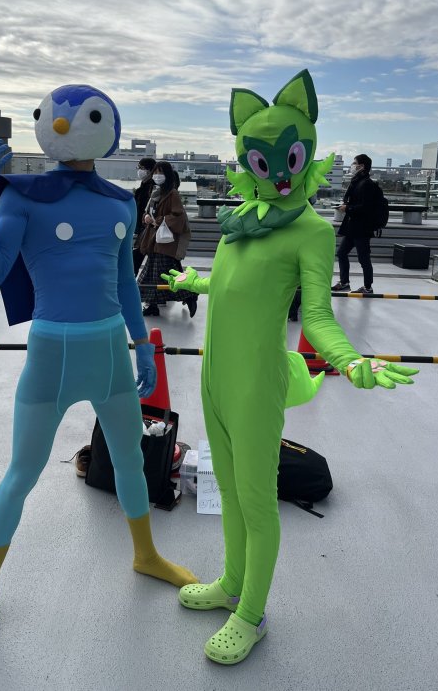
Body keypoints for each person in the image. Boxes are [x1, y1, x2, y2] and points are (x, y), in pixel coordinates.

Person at [162, 70, 417, 666]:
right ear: (245, 160)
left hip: (255, 387)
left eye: (289, 158)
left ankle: (252, 614)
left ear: (305, 155)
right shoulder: (238, 224)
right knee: (228, 492)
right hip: (214, 380)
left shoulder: (312, 231)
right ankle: (232, 584)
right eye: (262, 159)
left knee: (256, 501)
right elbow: (233, 286)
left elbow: (317, 317)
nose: (278, 174)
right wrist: (196, 281)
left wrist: (350, 360)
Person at [0, 84, 197, 657]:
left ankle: (145, 554)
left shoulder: (120, 203)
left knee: (132, 457)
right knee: (21, 473)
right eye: (55, 118)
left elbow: (122, 282)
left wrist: (144, 345)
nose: (64, 127)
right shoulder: (24, 197)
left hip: (110, 348)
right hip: (52, 354)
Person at [136, 161, 196, 318]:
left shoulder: (172, 194)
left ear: (167, 175)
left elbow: (178, 217)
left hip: (165, 241)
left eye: (160, 172)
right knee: (154, 274)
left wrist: (157, 220)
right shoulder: (156, 192)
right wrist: (146, 217)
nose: (157, 176)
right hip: (155, 240)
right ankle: (152, 305)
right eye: (155, 172)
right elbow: (148, 212)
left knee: (162, 273)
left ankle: (189, 295)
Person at [332, 153, 376, 294]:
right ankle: (344, 282)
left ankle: (368, 287)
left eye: (354, 163)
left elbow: (366, 207)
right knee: (341, 253)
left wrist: (347, 208)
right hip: (353, 227)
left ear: (361, 166)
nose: (352, 165)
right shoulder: (357, 181)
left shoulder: (367, 184)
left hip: (362, 228)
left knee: (364, 258)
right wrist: (346, 206)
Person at [132, 156, 156, 275]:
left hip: (147, 227)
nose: (139, 171)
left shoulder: (153, 189)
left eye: (141, 168)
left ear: (149, 170)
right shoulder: (142, 187)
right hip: (143, 227)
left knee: (136, 257)